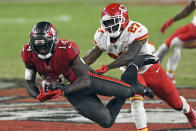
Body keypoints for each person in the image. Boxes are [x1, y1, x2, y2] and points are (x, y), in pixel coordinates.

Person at [82, 3, 196, 131]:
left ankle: (189, 111)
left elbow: (130, 56)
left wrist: (107, 67)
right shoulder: (101, 35)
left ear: (124, 20)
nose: (110, 26)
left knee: (176, 103)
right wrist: (76, 65)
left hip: (150, 68)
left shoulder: (136, 30)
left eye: (113, 22)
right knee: (136, 101)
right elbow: (93, 54)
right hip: (131, 71)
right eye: (107, 23)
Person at [21, 21, 155, 128]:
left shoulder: (66, 49)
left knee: (128, 90)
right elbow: (29, 82)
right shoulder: (28, 54)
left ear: (54, 41)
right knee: (106, 122)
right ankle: (123, 94)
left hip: (88, 79)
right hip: (74, 94)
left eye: (45, 45)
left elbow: (85, 79)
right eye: (38, 46)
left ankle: (137, 67)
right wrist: (39, 96)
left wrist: (63, 89)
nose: (42, 49)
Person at [154, 0, 196, 84]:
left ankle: (169, 76)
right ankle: (150, 69)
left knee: (175, 44)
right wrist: (171, 21)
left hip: (194, 33)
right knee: (163, 48)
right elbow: (188, 9)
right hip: (191, 26)